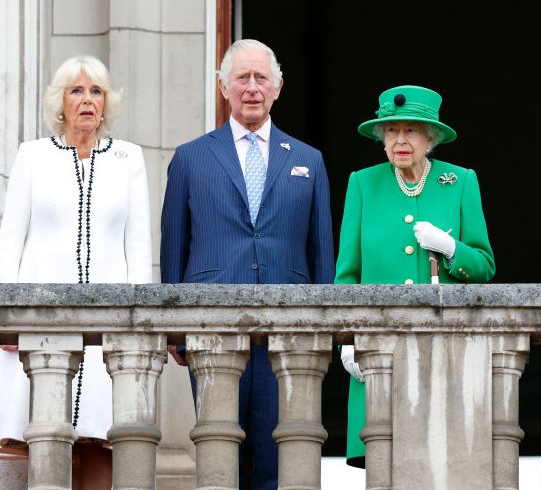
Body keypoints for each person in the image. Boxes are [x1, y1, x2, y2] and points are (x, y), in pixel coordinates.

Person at [160, 39, 334, 489]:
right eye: (242, 78)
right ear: (223, 86)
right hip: (212, 331)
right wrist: (175, 329)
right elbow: (174, 248)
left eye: (261, 78)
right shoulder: (190, 157)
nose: (252, 88)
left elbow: (321, 256)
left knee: (281, 462)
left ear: (278, 87)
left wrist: (326, 328)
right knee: (220, 461)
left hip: (288, 336)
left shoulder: (309, 161)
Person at [0, 55, 152, 488]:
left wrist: (140, 325)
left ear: (106, 103)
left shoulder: (129, 158)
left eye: (96, 91)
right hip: (37, 325)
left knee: (100, 438)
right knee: (36, 437)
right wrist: (8, 321)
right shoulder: (32, 157)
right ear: (61, 102)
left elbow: (138, 246)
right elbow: (11, 241)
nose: (87, 100)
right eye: (77, 91)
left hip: (107, 331)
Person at [336, 85, 495, 467]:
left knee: (442, 461)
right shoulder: (362, 184)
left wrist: (450, 248)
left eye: (411, 130)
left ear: (431, 137)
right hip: (379, 349)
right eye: (391, 131)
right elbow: (347, 275)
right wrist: (347, 338)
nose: (400, 140)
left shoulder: (460, 182)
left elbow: (484, 265)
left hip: (443, 348)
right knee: (384, 460)